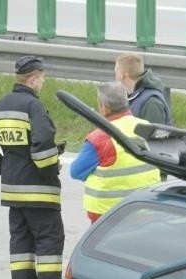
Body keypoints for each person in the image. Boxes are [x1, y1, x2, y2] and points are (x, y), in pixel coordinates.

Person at [0, 55, 64, 279]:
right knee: (48, 238)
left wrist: (6, 167)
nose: (43, 82)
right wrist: (51, 169)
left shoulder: (1, 105)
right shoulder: (33, 107)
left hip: (13, 190)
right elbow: (43, 145)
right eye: (42, 78)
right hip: (39, 190)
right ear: (33, 78)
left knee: (21, 239)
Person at [69, 82, 161, 223]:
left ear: (105, 108)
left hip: (108, 214)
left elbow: (76, 172)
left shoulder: (100, 137)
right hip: (145, 207)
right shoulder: (147, 127)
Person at [114, 52, 171, 125]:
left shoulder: (151, 103)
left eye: (116, 72)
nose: (115, 75)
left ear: (123, 74)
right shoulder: (131, 96)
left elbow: (153, 134)